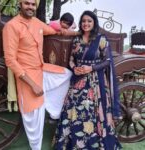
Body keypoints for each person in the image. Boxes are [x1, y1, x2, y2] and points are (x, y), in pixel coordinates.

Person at [3, 0, 72, 149]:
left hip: (41, 68)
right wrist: (33, 84)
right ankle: (36, 147)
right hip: (26, 77)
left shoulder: (37, 23)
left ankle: (53, 110)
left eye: (33, 4)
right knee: (34, 117)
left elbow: (55, 31)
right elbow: (10, 61)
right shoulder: (11, 26)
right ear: (20, 4)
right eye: (27, 3)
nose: (30, 7)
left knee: (67, 75)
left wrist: (81, 32)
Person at [55, 10, 122, 150]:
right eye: (83, 21)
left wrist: (91, 68)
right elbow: (72, 59)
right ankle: (72, 143)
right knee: (72, 109)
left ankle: (95, 142)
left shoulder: (101, 39)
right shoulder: (77, 39)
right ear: (80, 23)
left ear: (94, 23)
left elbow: (108, 60)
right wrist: (74, 68)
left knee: (94, 112)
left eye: (89, 21)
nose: (86, 24)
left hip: (96, 81)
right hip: (78, 79)